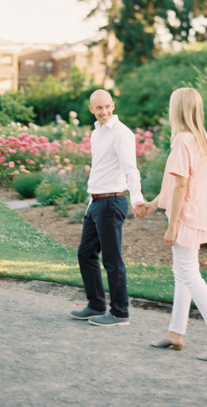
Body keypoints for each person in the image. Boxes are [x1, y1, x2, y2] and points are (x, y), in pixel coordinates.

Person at [133, 88, 207, 360]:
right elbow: (178, 182)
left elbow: (180, 186)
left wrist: (171, 226)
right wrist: (154, 203)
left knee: (190, 274)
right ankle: (175, 333)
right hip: (200, 211)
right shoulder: (203, 139)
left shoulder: (182, 140)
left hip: (186, 216)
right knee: (183, 273)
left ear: (176, 110)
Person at [70, 89, 143, 326]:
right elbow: (100, 169)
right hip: (96, 202)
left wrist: (137, 199)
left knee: (112, 260)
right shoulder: (96, 133)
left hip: (112, 202)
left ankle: (120, 313)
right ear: (91, 109)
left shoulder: (122, 134)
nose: (104, 111)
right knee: (85, 253)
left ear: (113, 105)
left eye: (107, 106)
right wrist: (90, 202)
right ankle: (96, 305)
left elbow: (131, 169)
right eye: (98, 108)